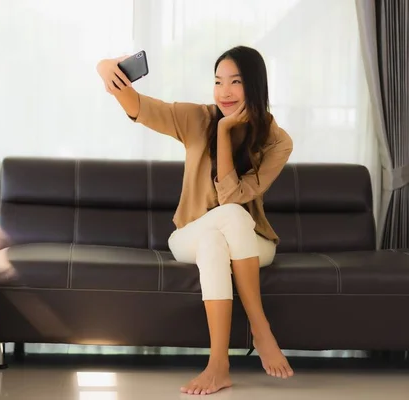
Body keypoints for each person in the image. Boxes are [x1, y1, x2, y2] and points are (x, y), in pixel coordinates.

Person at [96, 46, 294, 395]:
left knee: (225, 227)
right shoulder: (197, 118)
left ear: (256, 86)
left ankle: (219, 365)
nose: (224, 92)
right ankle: (259, 331)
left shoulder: (278, 142)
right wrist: (106, 67)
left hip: (252, 241)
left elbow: (232, 197)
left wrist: (226, 131)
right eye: (218, 82)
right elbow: (140, 106)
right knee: (216, 231)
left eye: (236, 82)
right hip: (189, 233)